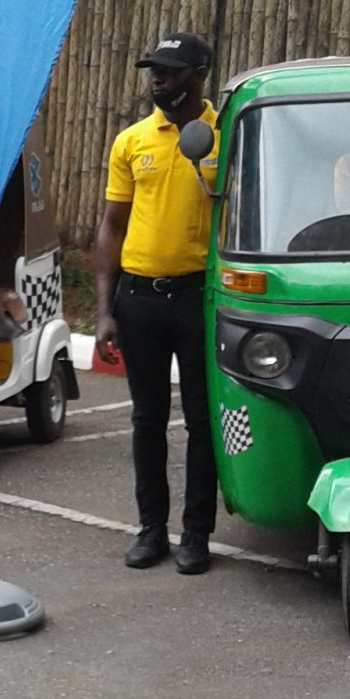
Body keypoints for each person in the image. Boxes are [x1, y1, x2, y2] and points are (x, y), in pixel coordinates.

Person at [94, 30, 219, 575]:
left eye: (170, 70)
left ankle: (196, 535)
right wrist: (104, 310)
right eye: (154, 71)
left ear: (199, 74)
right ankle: (151, 530)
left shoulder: (223, 137)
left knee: (201, 421)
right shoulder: (132, 141)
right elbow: (111, 226)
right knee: (147, 419)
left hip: (199, 298)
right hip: (140, 299)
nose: (158, 79)